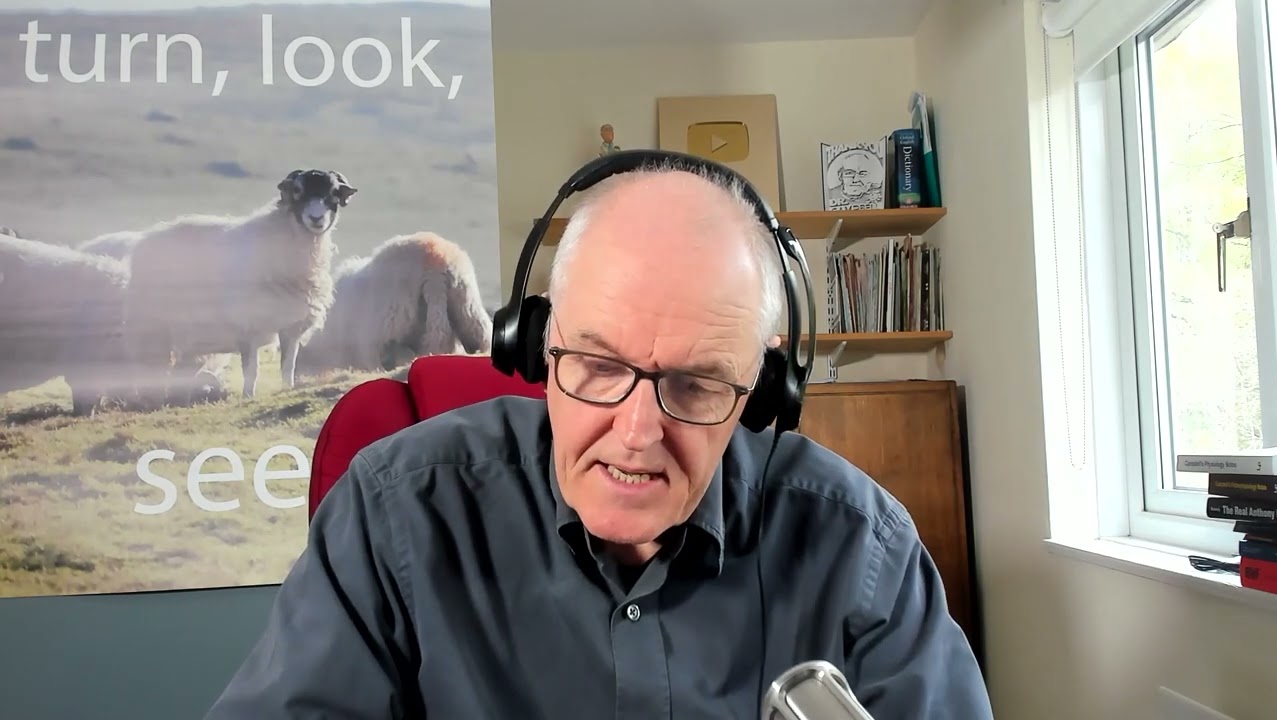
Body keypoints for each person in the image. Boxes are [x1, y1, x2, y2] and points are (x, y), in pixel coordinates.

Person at [204, 158, 993, 719]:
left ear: (761, 392)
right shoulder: (393, 514)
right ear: (536, 347)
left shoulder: (863, 551)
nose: (638, 432)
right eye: (600, 366)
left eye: (697, 384)